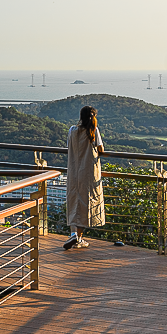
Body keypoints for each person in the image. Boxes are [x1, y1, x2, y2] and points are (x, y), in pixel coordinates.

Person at [64, 105, 105, 250]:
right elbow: (100, 149)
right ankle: (78, 238)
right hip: (88, 172)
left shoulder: (72, 130)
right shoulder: (93, 131)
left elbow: (69, 146)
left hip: (74, 171)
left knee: (74, 199)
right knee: (86, 202)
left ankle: (74, 234)